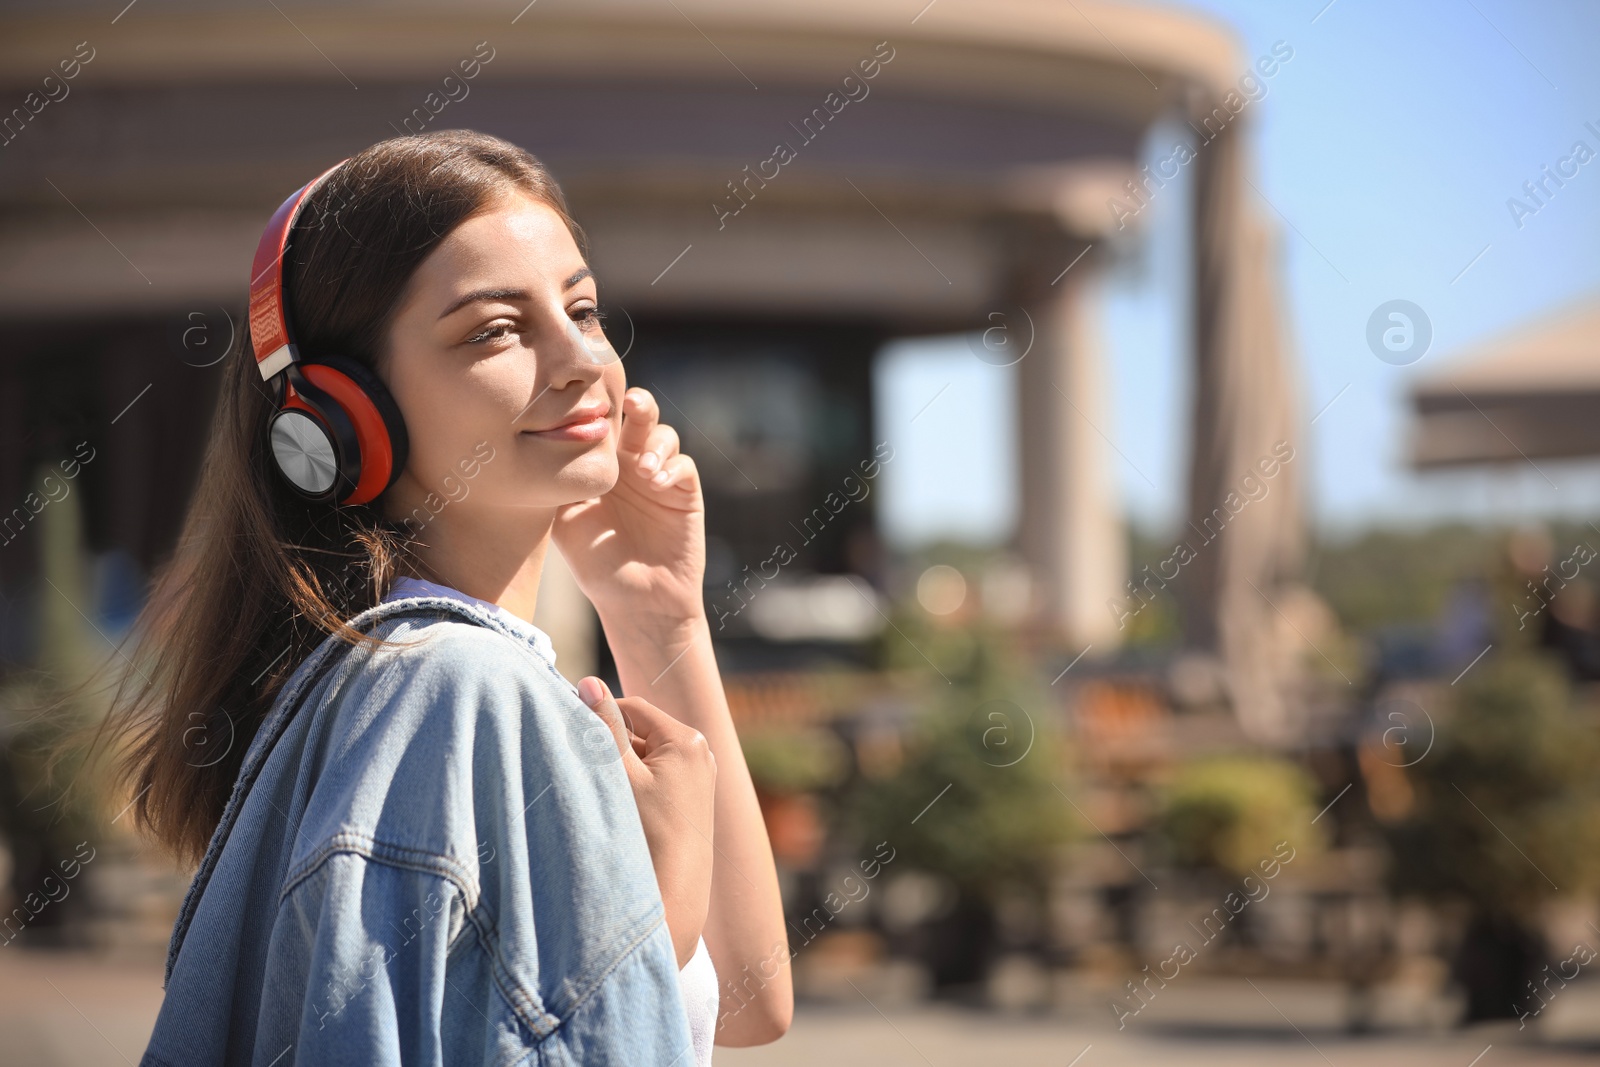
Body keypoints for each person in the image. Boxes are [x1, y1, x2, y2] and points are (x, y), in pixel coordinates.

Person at [101, 129, 791, 1064]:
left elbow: (747, 1005)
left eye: (581, 309)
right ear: (340, 415)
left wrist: (657, 610)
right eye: (496, 328)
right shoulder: (455, 689)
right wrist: (651, 920)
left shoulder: (416, 681)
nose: (581, 357)